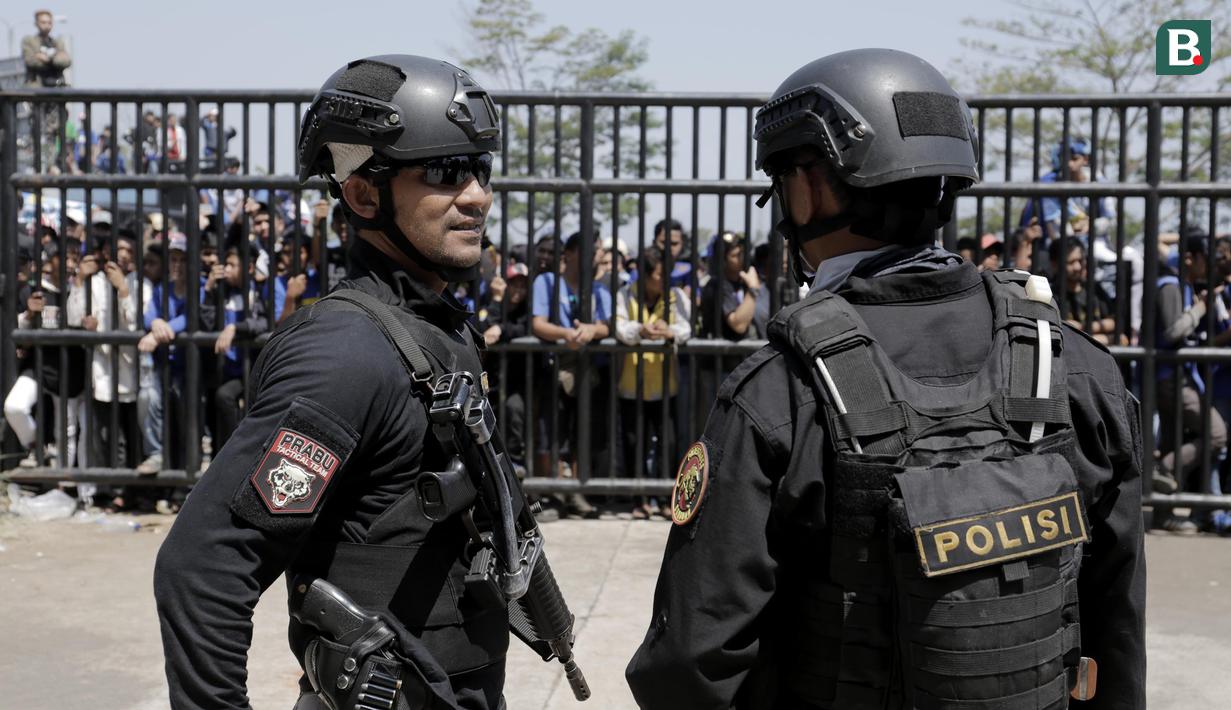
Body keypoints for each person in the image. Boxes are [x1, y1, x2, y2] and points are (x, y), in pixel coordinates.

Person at [627, 49, 1145, 710]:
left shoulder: (779, 390)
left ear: (809, 186)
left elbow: (688, 664)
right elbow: (1116, 626)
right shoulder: (1077, 366)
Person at [154, 54, 510, 710]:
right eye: (443, 171)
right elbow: (202, 570)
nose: (476, 195)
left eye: (479, 169)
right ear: (363, 193)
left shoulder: (437, 327)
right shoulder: (346, 356)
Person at [614, 245, 691, 517]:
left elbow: (686, 327)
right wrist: (641, 330)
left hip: (664, 382)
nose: (664, 279)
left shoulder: (675, 296)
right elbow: (620, 327)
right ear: (645, 276)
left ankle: (667, 498)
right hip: (632, 383)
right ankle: (640, 500)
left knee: (668, 443)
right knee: (636, 442)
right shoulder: (626, 294)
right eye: (659, 275)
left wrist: (670, 332)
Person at [21, 10, 71, 88]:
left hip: (57, 87)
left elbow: (66, 61)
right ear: (36, 23)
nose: (47, 25)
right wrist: (56, 57)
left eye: (49, 22)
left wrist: (46, 58)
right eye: (43, 22)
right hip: (37, 89)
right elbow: (30, 61)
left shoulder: (58, 43)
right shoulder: (29, 41)